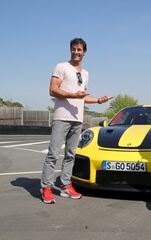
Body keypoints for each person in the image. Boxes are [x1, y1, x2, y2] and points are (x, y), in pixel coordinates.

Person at [40, 38, 112, 203]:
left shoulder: (86, 73)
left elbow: (83, 97)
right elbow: (53, 90)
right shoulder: (61, 67)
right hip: (62, 117)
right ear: (70, 50)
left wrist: (99, 101)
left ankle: (66, 186)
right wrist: (73, 95)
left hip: (77, 119)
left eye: (79, 50)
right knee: (53, 154)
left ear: (84, 52)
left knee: (71, 155)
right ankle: (46, 188)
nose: (76, 52)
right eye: (74, 49)